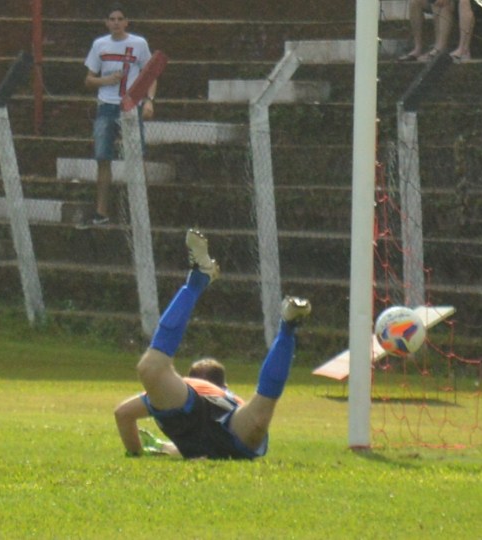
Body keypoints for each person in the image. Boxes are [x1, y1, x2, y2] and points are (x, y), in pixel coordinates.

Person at [114, 229, 311, 459]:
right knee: (258, 420)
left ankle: (198, 282)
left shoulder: (217, 396)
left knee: (150, 369)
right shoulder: (210, 398)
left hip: (225, 419)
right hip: (203, 418)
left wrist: (138, 452)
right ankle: (287, 328)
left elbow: (123, 414)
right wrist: (160, 449)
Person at [81, 3, 156, 227]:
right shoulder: (99, 45)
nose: (115, 22)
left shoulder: (139, 44)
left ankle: (140, 210)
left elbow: (150, 74)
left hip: (131, 106)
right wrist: (106, 80)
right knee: (103, 158)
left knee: (137, 156)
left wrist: (149, 102)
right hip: (106, 106)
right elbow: (88, 79)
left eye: (119, 19)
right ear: (106, 22)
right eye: (111, 19)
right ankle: (101, 211)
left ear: (126, 22)